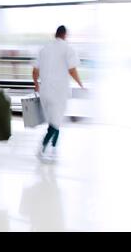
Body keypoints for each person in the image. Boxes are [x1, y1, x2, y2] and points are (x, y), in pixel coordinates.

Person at [32, 25, 84, 161]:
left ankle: (54, 149)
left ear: (55, 34)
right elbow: (72, 70)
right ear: (65, 35)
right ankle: (42, 147)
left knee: (55, 121)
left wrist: (36, 85)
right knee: (55, 123)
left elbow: (35, 71)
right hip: (58, 93)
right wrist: (80, 83)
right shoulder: (67, 48)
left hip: (44, 92)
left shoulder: (44, 49)